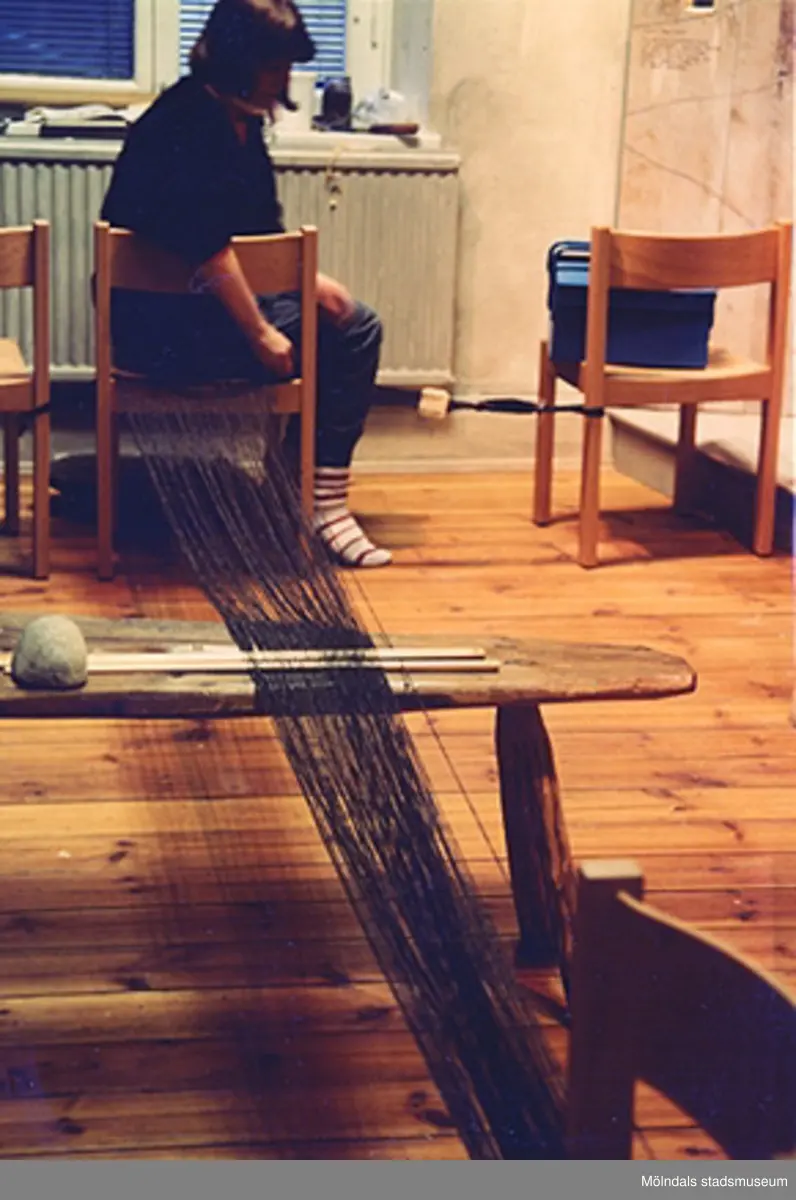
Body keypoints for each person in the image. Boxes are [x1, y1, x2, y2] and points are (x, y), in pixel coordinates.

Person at [100, 0, 391, 568]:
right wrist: (261, 332)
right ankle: (322, 506)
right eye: (274, 65)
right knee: (355, 334)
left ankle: (296, 495)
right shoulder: (183, 122)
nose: (284, 78)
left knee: (348, 318)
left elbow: (258, 237)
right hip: (164, 333)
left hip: (199, 318)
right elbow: (204, 245)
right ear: (239, 59)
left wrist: (311, 284)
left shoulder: (238, 123)